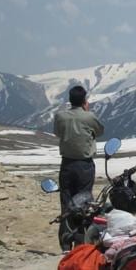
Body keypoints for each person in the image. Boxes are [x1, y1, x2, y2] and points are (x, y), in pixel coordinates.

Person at [53, 85, 104, 251]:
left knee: (66, 201)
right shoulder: (89, 117)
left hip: (66, 163)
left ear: (69, 99)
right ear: (84, 100)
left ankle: (65, 243)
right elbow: (100, 131)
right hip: (84, 164)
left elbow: (57, 133)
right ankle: (81, 241)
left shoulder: (60, 116)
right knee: (84, 203)